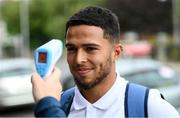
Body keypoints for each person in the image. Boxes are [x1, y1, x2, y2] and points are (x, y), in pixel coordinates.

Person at [31, 6, 180, 117]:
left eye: (90, 48)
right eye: (71, 49)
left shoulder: (148, 105)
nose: (78, 59)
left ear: (116, 52)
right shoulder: (58, 104)